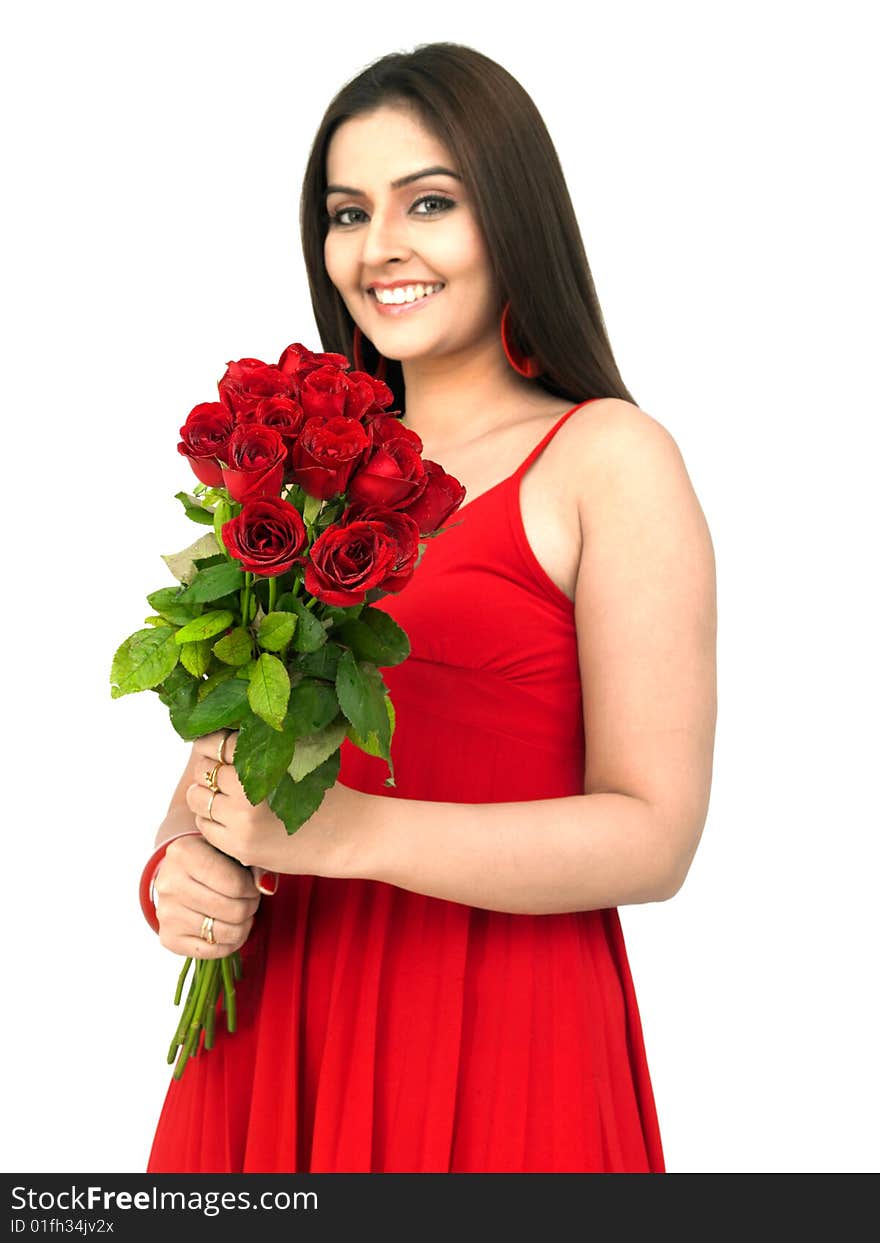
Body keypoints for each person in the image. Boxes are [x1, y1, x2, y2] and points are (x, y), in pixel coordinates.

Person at [144, 41, 717, 1174]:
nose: (380, 247)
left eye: (431, 202)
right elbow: (218, 774)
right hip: (273, 1037)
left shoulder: (608, 457)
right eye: (348, 211)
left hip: (502, 1039)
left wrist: (354, 836)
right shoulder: (299, 476)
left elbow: (655, 835)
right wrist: (178, 871)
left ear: (513, 218)